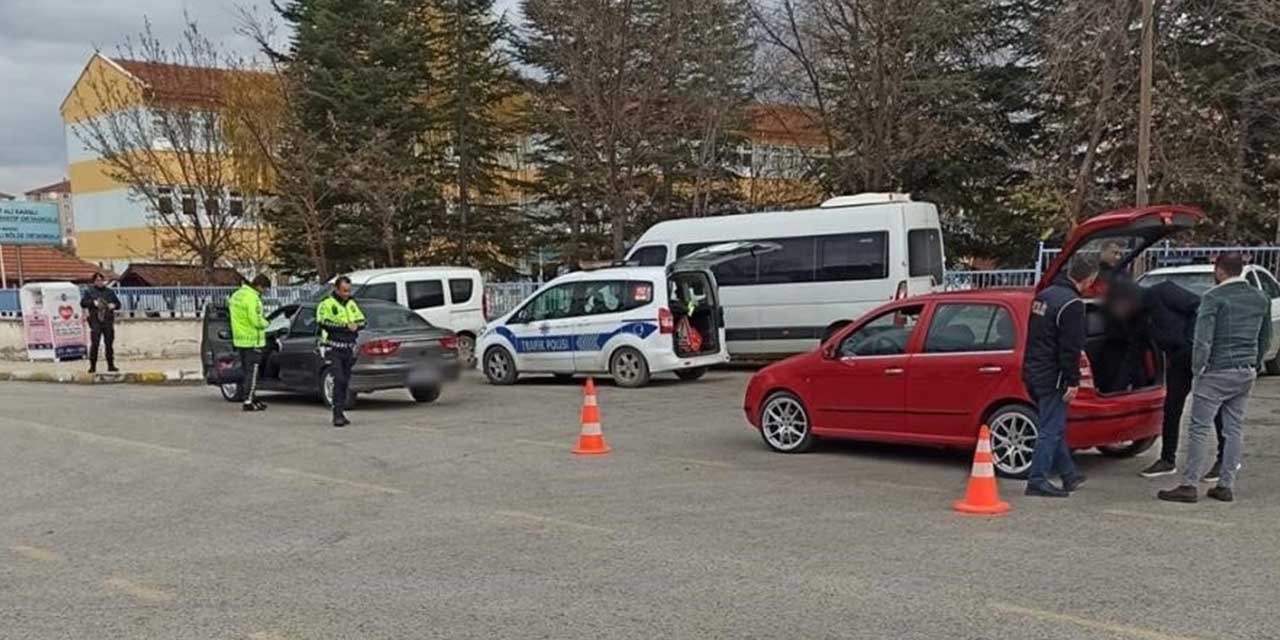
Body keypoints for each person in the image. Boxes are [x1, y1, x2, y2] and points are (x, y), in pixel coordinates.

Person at [1159, 254, 1271, 503]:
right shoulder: (1259, 298)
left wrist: (1198, 369)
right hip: (1245, 371)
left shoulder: (1214, 297)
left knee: (1199, 428)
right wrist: (1255, 361)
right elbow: (1266, 337)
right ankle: (1225, 484)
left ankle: (1189, 485)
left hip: (1217, 370)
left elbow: (1203, 339)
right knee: (1233, 428)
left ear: (1219, 270)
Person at [1105, 282, 1226, 478]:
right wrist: (1116, 390)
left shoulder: (1163, 291)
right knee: (1171, 408)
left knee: (1214, 406)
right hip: (1177, 360)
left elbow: (1200, 307)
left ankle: (1225, 460)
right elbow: (1134, 353)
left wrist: (1192, 342)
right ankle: (1167, 459)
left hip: (1199, 353)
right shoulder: (1137, 319)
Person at [1022, 254, 1098, 497]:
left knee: (1053, 425)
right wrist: (1072, 381)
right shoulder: (1072, 303)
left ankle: (1069, 474)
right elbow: (1070, 347)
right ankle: (1037, 479)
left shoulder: (1045, 296)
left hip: (1033, 370)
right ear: (1089, 279)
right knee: (1050, 429)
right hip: (1052, 375)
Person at [317, 276, 366, 428]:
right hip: (333, 348)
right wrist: (345, 326)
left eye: (349, 290)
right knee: (339, 379)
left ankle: (341, 412)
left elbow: (362, 321)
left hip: (348, 348)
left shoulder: (351, 304)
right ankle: (336, 414)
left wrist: (356, 326)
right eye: (344, 291)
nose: (347, 293)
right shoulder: (326, 304)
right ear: (336, 289)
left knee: (345, 381)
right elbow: (323, 322)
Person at [229, 274, 272, 412]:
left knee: (246, 371)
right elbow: (255, 320)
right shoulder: (253, 298)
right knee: (252, 372)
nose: (265, 292)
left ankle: (251, 398)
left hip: (240, 339)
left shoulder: (236, 295)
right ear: (259, 286)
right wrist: (267, 323)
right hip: (253, 340)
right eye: (265, 289)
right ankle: (248, 401)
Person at [80, 272, 121, 373]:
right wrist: (93, 303)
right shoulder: (89, 292)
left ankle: (111, 365)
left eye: (101, 280)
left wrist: (114, 305)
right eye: (97, 280)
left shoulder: (109, 292)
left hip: (107, 320)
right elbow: (83, 303)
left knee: (109, 344)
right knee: (95, 344)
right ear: (94, 282)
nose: (99, 282)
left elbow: (118, 304)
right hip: (95, 321)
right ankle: (92, 366)